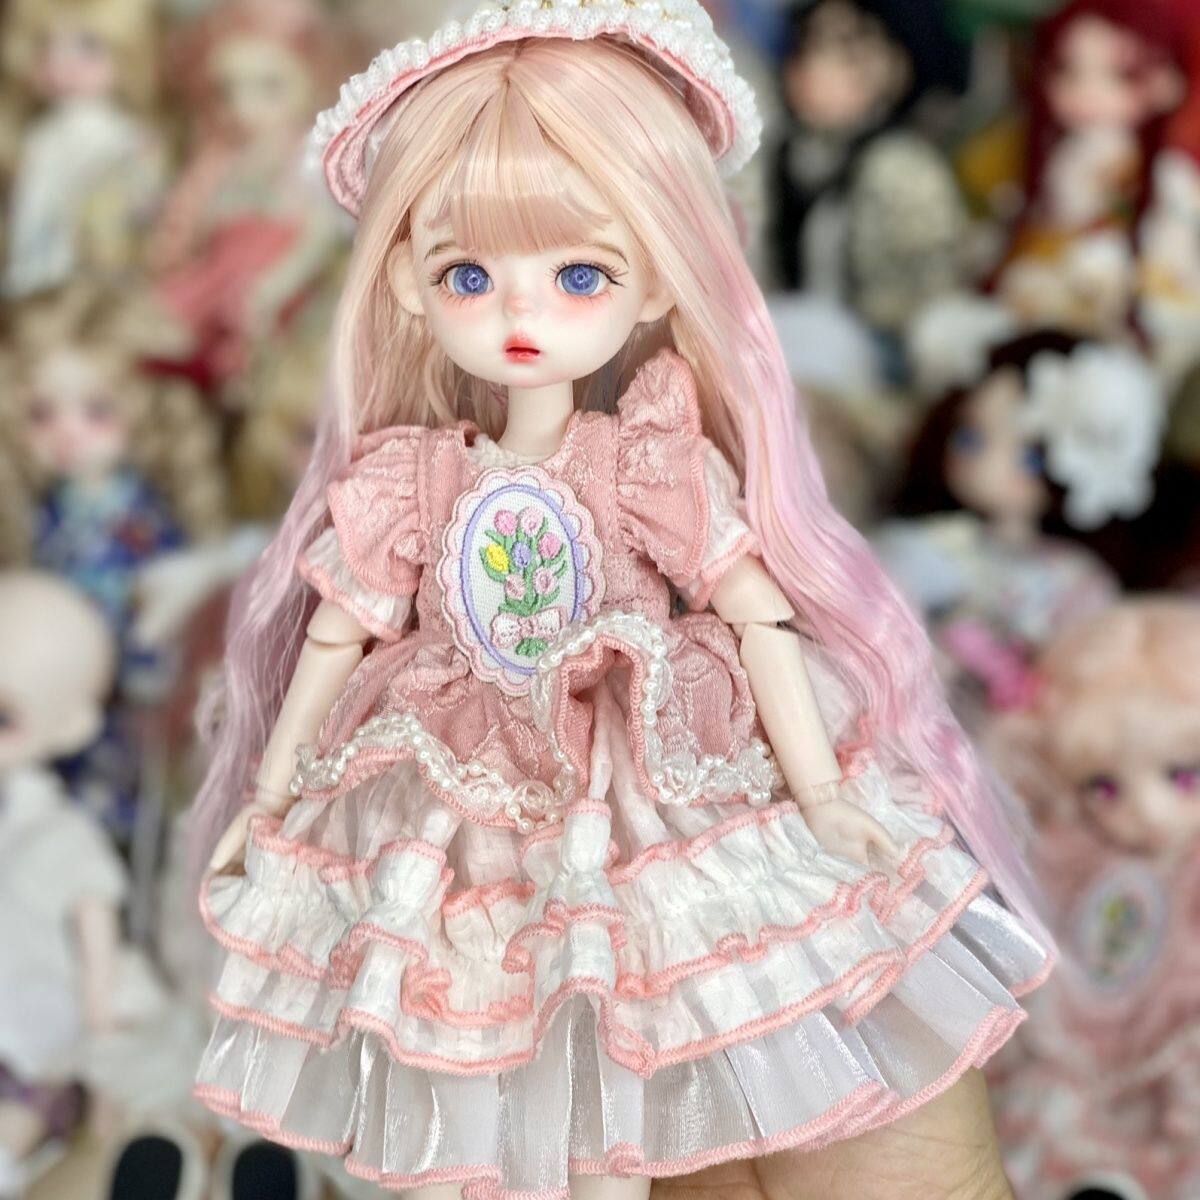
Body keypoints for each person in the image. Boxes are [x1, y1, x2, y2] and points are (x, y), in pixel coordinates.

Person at [190, 3, 1053, 1197]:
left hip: (650, 775)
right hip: (462, 784)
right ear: (403, 282)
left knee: (685, 1018)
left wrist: (817, 792)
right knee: (506, 1049)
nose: (521, 315)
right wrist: (271, 793)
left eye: (578, 274)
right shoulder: (412, 481)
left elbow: (757, 615)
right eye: (468, 275)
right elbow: (338, 632)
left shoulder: (646, 461)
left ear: (653, 279)